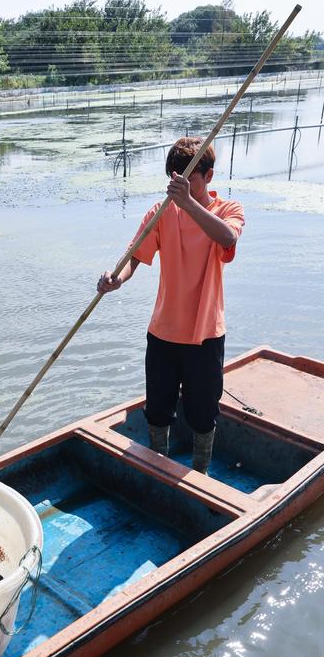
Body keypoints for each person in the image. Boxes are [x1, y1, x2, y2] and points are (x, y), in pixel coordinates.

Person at [97, 136, 245, 473]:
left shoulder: (228, 211)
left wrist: (189, 204)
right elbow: (136, 255)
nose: (178, 185)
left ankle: (201, 474)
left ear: (208, 176)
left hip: (205, 334)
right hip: (164, 331)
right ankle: (158, 468)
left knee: (203, 414)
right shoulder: (162, 212)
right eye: (174, 178)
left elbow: (228, 238)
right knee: (158, 410)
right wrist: (117, 278)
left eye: (188, 178)